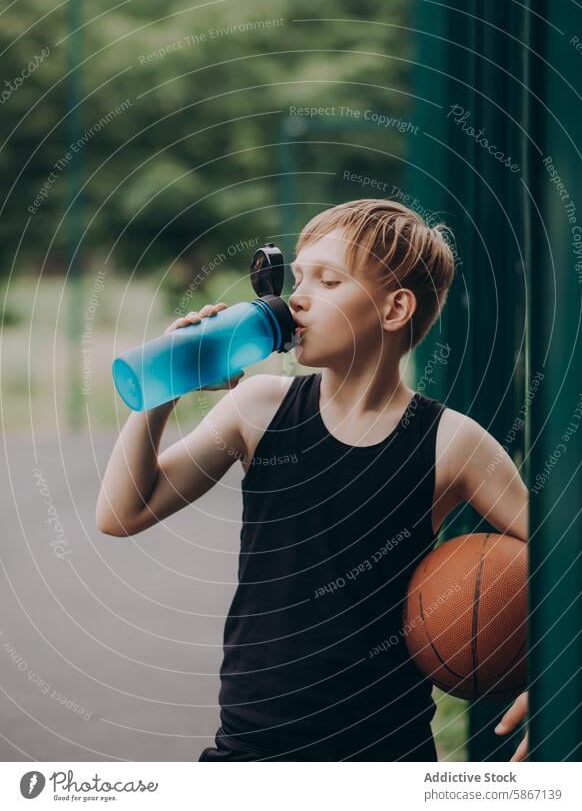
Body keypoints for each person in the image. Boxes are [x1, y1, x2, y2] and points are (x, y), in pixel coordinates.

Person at [96, 198, 529, 762]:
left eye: (328, 281)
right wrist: (166, 384)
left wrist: (554, 675)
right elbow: (121, 512)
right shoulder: (258, 406)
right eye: (296, 276)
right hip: (250, 748)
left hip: (385, 755)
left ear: (395, 308)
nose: (296, 297)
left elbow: (559, 562)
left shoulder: (453, 442)